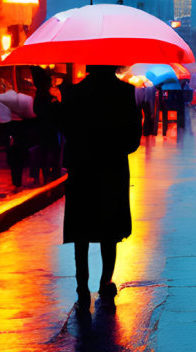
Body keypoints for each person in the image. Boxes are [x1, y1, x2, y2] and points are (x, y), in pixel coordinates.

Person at [61, 65, 142, 312]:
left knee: (81, 230)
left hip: (82, 168)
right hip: (111, 169)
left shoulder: (74, 93)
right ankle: (105, 282)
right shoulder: (125, 93)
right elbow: (132, 141)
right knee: (110, 230)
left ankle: (82, 287)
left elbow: (65, 129)